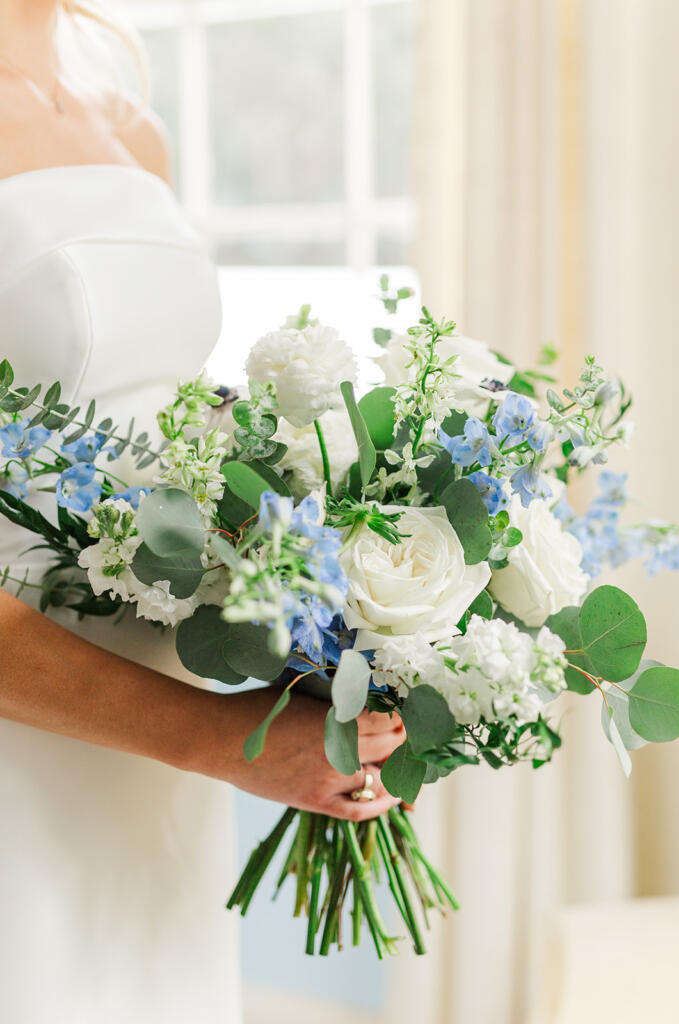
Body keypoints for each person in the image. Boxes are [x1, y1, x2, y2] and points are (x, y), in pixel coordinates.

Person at [0, 1, 405, 1020]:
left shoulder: (130, 129)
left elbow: (162, 414)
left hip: (159, 734)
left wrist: (341, 584)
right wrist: (221, 742)